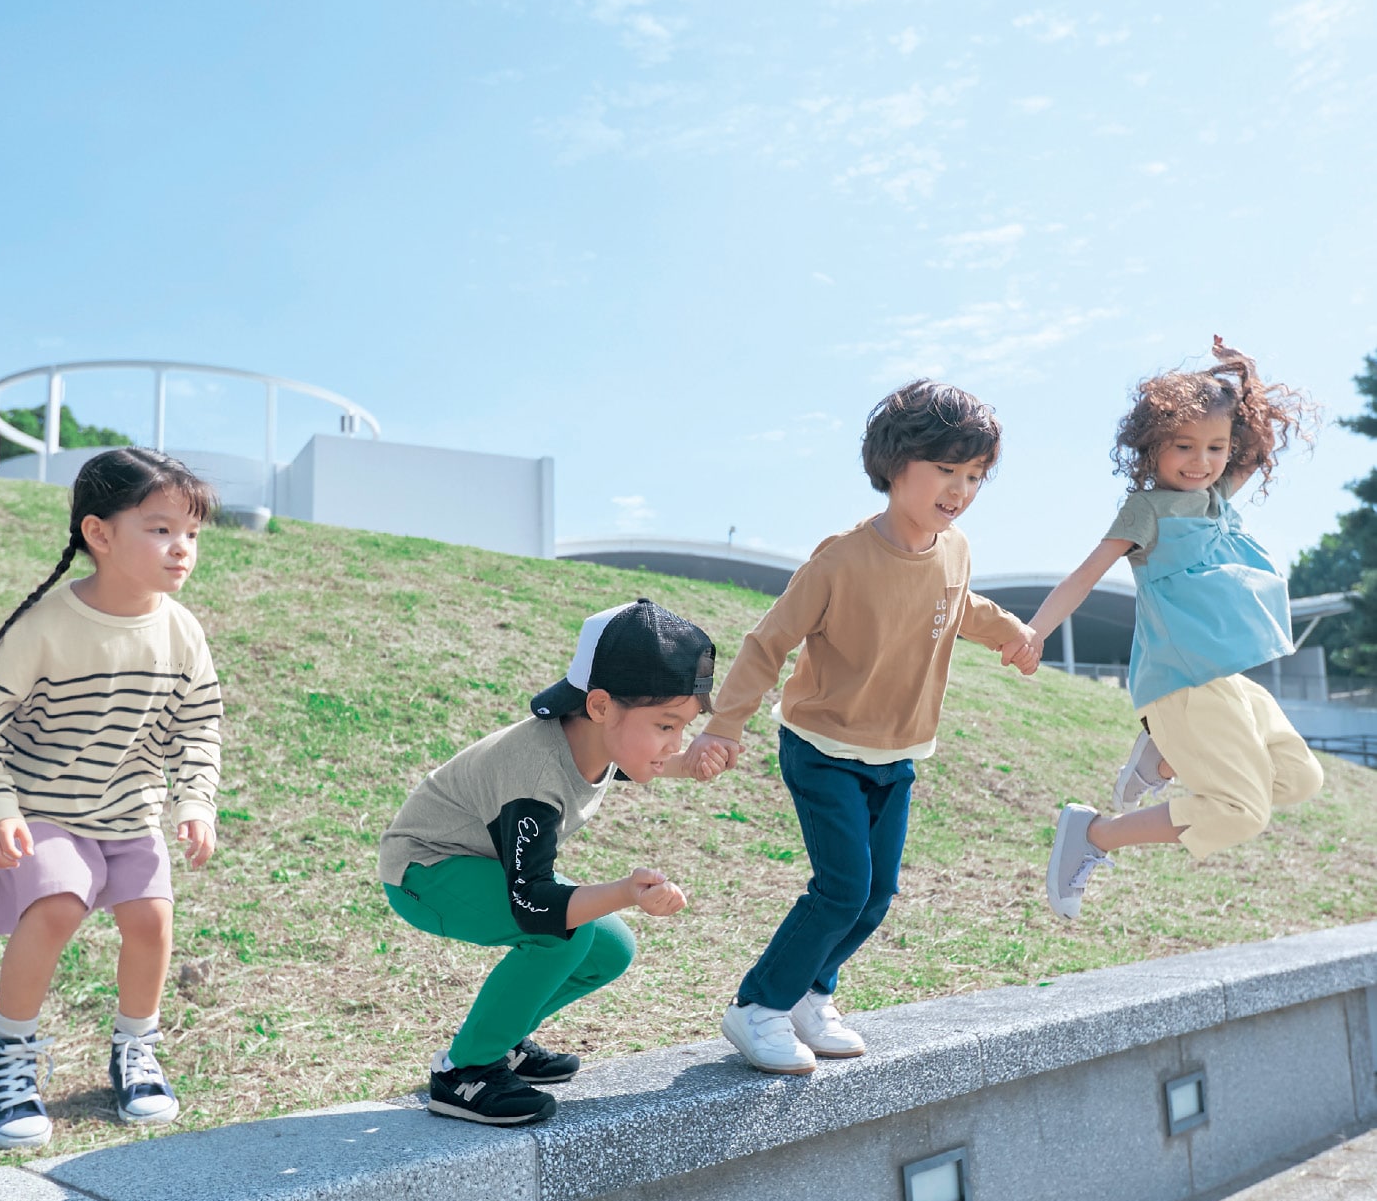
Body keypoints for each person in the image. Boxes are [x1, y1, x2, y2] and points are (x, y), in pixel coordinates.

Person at [683, 382, 1039, 1076]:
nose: (960, 489)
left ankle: (812, 997)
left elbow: (960, 604)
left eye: (975, 475)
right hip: (823, 747)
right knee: (842, 888)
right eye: (946, 469)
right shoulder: (841, 560)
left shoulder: (954, 547)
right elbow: (767, 642)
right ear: (895, 463)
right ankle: (757, 1007)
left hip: (896, 751)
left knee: (875, 896)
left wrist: (1012, 633)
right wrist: (724, 726)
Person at [0, 448, 222, 1151]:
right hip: (44, 808)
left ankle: (136, 1049)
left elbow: (198, 726)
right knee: (58, 905)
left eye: (191, 533)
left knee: (151, 923)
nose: (181, 548)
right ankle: (8, 1055)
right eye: (160, 529)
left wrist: (196, 801)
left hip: (130, 814)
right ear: (99, 534)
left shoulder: (182, 630)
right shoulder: (45, 625)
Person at [380, 598, 724, 1127]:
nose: (675, 741)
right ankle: (464, 1071)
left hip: (476, 864)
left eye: (683, 727)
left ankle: (504, 1037)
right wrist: (628, 891)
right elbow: (535, 905)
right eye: (666, 726)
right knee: (563, 933)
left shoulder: (589, 738)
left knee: (610, 947)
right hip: (424, 872)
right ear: (603, 706)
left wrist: (684, 763)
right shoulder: (535, 778)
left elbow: (633, 760)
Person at [1028, 337, 1322, 921]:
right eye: (1183, 445)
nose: (1200, 460)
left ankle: (1164, 758)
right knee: (1241, 811)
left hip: (1225, 681)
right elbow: (1086, 576)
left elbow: (1257, 447)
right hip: (1183, 681)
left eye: (1215, 446)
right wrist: (1035, 632)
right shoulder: (1147, 510)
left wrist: (1243, 373)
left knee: (1297, 779)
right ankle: (1094, 834)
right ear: (1151, 447)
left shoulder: (1214, 497)